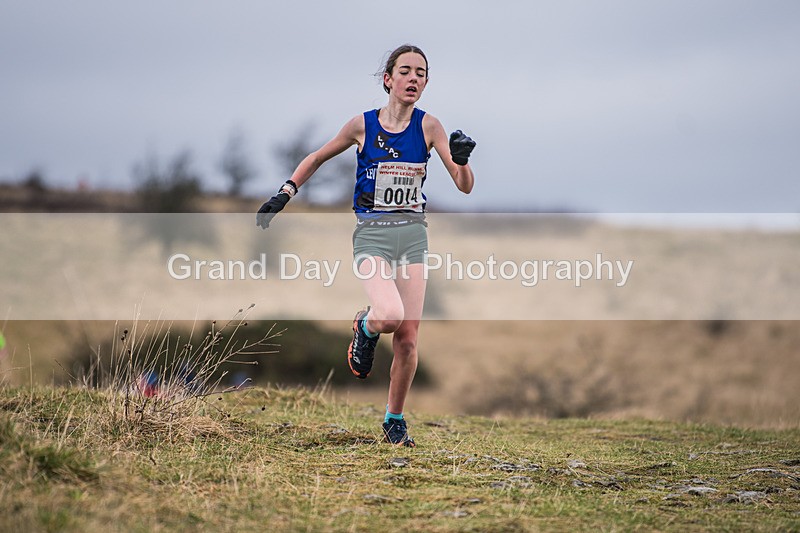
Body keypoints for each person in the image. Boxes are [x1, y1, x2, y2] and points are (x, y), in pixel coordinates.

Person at [257, 44, 476, 447]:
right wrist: (285, 192)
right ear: (388, 79)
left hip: (412, 236)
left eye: (422, 73)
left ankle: (394, 420)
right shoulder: (362, 124)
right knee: (389, 315)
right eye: (406, 71)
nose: (414, 78)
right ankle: (364, 326)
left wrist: (462, 161)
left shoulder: (430, 128)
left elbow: (463, 186)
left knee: (409, 338)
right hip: (372, 235)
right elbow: (318, 156)